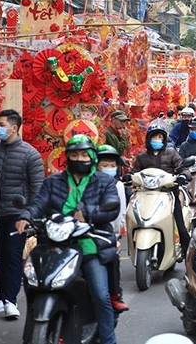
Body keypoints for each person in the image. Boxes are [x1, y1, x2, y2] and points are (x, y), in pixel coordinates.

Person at [16, 135, 120, 344]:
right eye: (74, 154)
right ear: (67, 157)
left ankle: (109, 339)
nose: (79, 159)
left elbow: (112, 208)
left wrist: (89, 213)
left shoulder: (105, 181)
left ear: (92, 156)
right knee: (34, 284)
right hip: (55, 246)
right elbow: (39, 203)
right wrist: (26, 216)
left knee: (100, 295)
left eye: (84, 155)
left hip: (90, 246)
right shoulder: (53, 181)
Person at [0, 109, 44, 320]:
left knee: (12, 254)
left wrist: (28, 215)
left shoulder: (30, 154)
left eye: (1, 124)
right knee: (0, 254)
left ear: (14, 127)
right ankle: (3, 298)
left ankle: (11, 300)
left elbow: (38, 189)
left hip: (18, 215)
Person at [133, 121, 192, 251]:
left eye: (160, 137)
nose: (157, 140)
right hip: (146, 195)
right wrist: (129, 177)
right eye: (154, 137)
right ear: (149, 139)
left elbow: (182, 167)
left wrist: (183, 175)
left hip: (169, 194)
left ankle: (188, 255)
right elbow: (134, 172)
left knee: (181, 228)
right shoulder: (142, 157)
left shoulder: (171, 153)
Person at [96, 145, 130, 313]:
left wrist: (115, 236)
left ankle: (115, 295)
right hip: (81, 233)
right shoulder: (85, 182)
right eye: (105, 165)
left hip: (107, 234)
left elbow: (119, 213)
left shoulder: (117, 186)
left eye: (112, 165)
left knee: (112, 260)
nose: (108, 169)